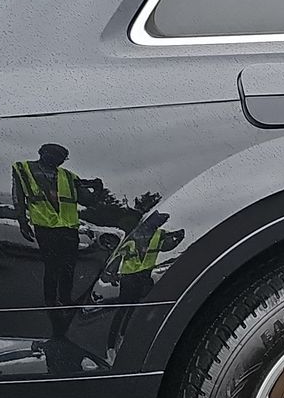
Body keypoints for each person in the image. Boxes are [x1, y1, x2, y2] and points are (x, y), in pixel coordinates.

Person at [11, 144, 103, 337]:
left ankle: (66, 300)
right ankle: (50, 303)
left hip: (68, 228)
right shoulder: (24, 169)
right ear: (43, 153)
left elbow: (87, 200)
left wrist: (96, 189)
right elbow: (18, 197)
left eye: (63, 158)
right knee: (52, 266)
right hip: (45, 227)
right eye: (58, 156)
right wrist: (22, 220)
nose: (60, 161)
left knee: (69, 267)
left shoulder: (68, 176)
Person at [106, 210, 184, 358]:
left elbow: (168, 243)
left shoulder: (149, 234)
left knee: (129, 310)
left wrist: (178, 235)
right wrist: (179, 235)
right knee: (126, 310)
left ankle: (118, 340)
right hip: (133, 277)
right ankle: (112, 343)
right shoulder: (150, 235)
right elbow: (169, 244)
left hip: (135, 276)